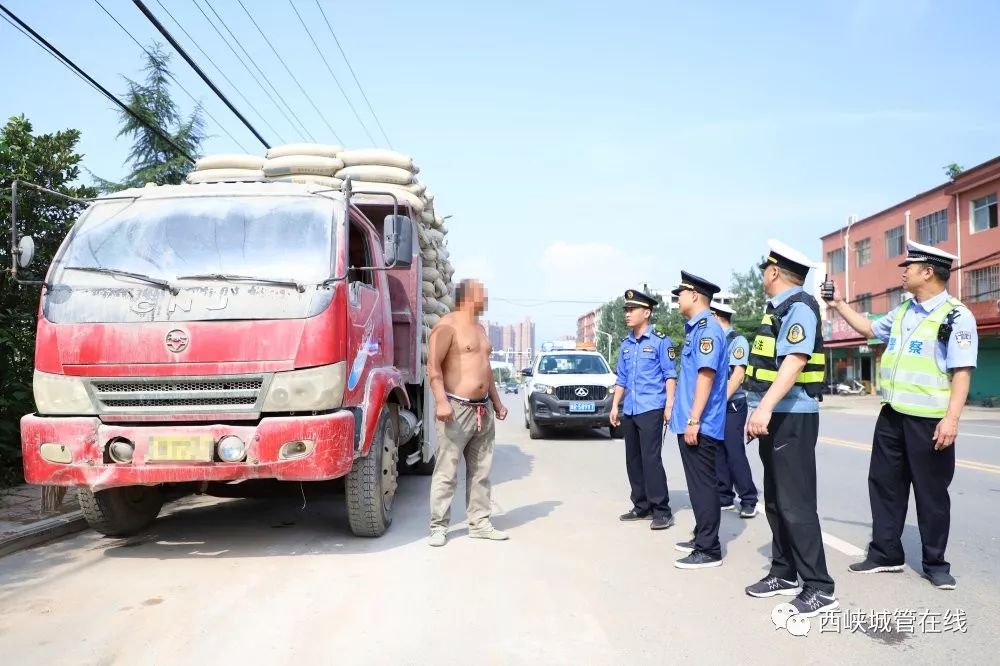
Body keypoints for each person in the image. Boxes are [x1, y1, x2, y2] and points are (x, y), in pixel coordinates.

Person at [825, 240, 977, 590]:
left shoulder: (956, 316)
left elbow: (962, 371)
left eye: (909, 266)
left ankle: (936, 563)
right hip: (892, 415)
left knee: (931, 493)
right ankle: (885, 553)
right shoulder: (904, 310)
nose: (903, 271)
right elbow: (867, 329)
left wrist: (951, 419)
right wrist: (837, 304)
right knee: (884, 486)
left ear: (928, 272)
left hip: (929, 421)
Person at [743, 240, 837, 618]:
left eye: (765, 269)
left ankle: (818, 586)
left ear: (774, 272)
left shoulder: (799, 308)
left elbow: (794, 362)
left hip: (791, 415)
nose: (763, 275)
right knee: (777, 501)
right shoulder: (780, 308)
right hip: (775, 414)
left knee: (796, 503)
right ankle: (783, 572)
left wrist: (764, 408)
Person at [426, 279, 509, 547]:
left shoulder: (480, 328)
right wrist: (441, 401)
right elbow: (433, 367)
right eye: (481, 293)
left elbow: (486, 370)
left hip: (482, 410)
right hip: (456, 409)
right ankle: (438, 526)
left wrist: (496, 402)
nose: (485, 298)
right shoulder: (447, 325)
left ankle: (480, 523)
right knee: (447, 471)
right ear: (467, 297)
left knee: (481, 471)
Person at [667, 272, 729, 569]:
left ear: (694, 295)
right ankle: (702, 537)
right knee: (697, 484)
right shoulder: (695, 329)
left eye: (680, 292)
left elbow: (706, 376)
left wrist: (694, 420)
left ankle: (709, 548)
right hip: (689, 421)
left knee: (703, 484)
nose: (677, 298)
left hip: (700, 423)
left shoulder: (708, 330)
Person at [609, 289, 678, 530]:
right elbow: (622, 378)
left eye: (632, 310)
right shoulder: (626, 344)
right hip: (630, 408)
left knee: (651, 459)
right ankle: (641, 506)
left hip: (652, 407)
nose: (627, 314)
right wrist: (615, 405)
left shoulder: (660, 341)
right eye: (626, 310)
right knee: (633, 459)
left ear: (646, 312)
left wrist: (669, 405)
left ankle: (662, 510)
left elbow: (670, 375)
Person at [710, 301, 759, 518]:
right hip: (715, 405)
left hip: (731, 405)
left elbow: (737, 376)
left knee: (734, 451)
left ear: (716, 315)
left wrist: (719, 402)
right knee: (718, 451)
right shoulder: (714, 340)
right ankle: (724, 496)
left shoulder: (736, 340)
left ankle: (748, 498)